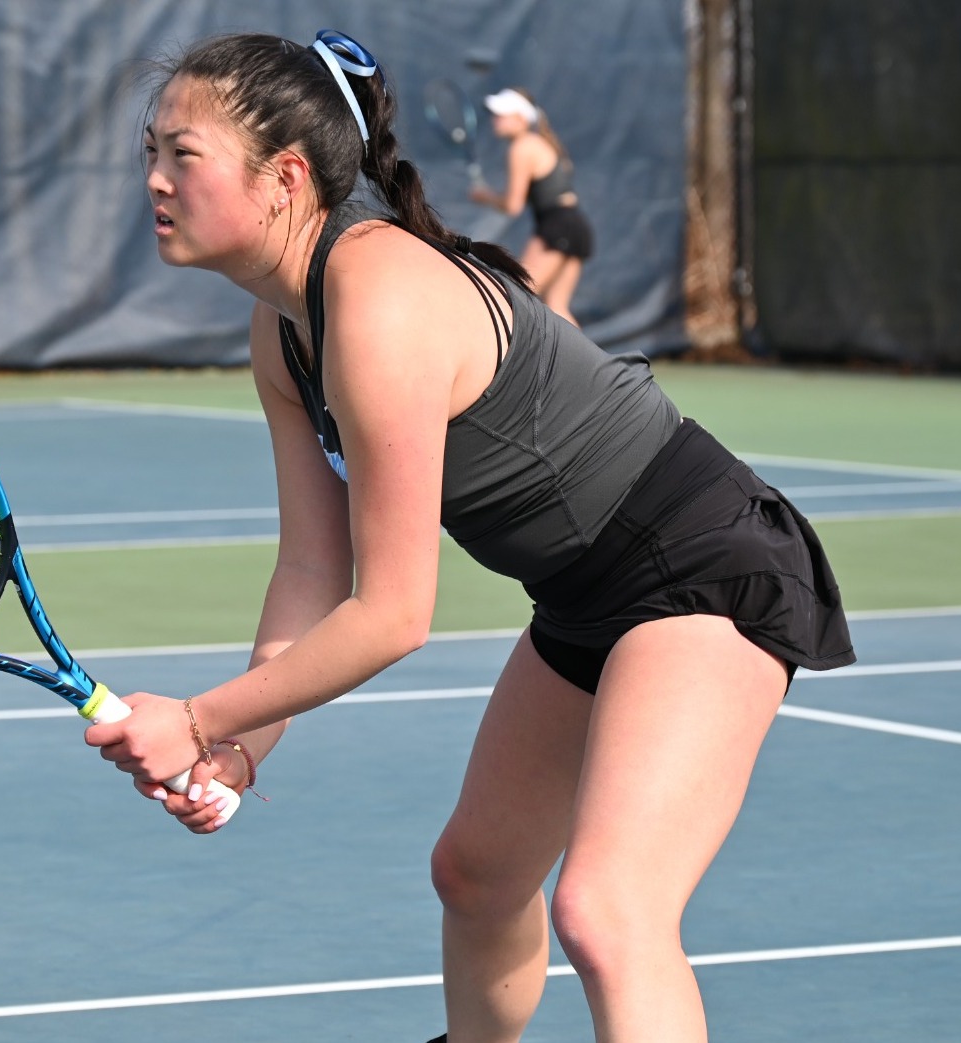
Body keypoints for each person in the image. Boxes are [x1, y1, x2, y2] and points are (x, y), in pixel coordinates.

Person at [86, 28, 854, 1043]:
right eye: (151, 152)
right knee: (478, 873)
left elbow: (395, 613)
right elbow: (315, 569)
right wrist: (238, 747)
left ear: (283, 176)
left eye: (181, 154)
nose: (155, 179)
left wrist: (196, 715)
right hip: (588, 594)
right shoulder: (285, 326)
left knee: (610, 910)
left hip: (703, 566)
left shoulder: (380, 298)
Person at [467, 87, 593, 326]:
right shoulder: (537, 143)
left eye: (502, 114)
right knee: (556, 305)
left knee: (518, 295)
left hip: (558, 227)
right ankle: (585, 364)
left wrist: (485, 197)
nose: (496, 119)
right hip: (576, 226)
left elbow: (513, 205)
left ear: (521, 119)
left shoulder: (521, 147)